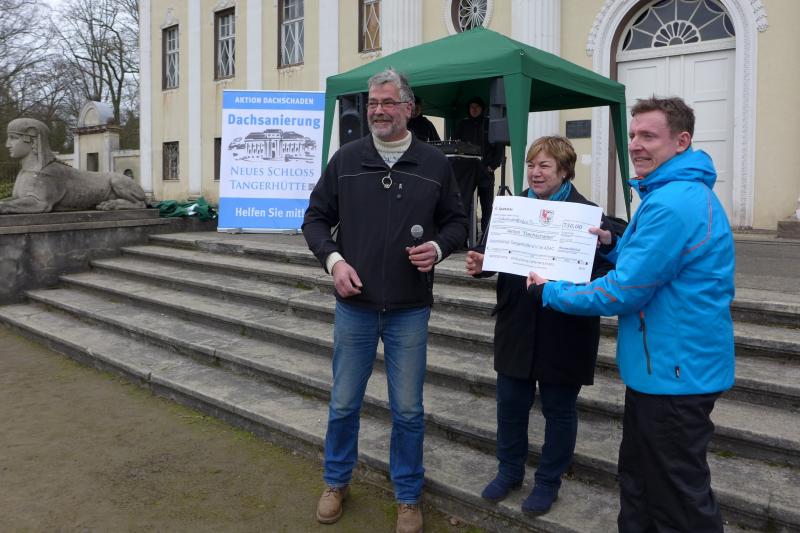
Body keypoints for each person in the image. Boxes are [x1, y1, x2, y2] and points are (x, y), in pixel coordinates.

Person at [527, 97, 734, 532]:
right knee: (640, 484)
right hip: (663, 370)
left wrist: (552, 291)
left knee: (677, 500)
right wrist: (611, 245)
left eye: (649, 136)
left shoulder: (672, 203)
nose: (636, 144)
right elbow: (655, 266)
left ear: (681, 141)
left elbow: (625, 290)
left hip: (675, 374)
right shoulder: (671, 193)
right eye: (634, 134)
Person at [302, 68, 468, 533]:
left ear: (408, 108)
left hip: (409, 309)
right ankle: (336, 481)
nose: (378, 110)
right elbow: (315, 219)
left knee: (408, 410)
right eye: (373, 102)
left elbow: (457, 223)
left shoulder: (434, 164)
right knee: (343, 403)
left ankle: (408, 496)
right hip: (355, 307)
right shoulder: (346, 159)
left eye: (388, 102)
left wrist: (438, 248)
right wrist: (334, 262)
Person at [465, 136, 620, 516]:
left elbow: (607, 271)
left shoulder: (589, 216)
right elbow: (491, 254)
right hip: (517, 323)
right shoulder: (512, 209)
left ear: (564, 170)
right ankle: (509, 471)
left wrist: (574, 273)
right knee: (510, 405)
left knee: (559, 410)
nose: (535, 173)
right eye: (532, 165)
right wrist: (480, 263)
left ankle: (549, 482)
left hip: (566, 329)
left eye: (544, 166)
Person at [454, 96, 502, 236]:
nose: (474, 109)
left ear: (482, 109)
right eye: (471, 107)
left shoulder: (489, 124)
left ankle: (486, 238)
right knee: (467, 205)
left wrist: (493, 165)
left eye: (477, 107)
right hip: (467, 173)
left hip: (486, 171)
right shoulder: (463, 125)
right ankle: (469, 236)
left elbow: (499, 146)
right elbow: (456, 145)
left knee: (487, 206)